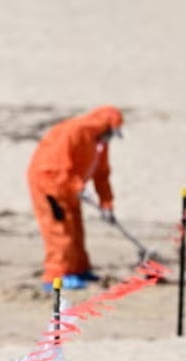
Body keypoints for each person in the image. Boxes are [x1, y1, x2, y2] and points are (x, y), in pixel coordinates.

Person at [27, 106, 124, 290]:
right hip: (49, 185)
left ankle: (79, 269)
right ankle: (55, 276)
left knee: (76, 228)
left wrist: (106, 203)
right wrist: (77, 187)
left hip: (70, 188)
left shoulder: (99, 143)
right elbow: (57, 167)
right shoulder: (73, 132)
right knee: (59, 230)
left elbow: (101, 174)